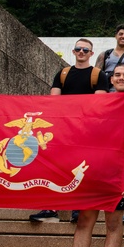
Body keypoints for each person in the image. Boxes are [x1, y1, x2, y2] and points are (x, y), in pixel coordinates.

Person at [52, 64, 124, 247]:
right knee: (84, 220)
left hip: (120, 169)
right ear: (111, 80)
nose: (121, 78)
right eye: (117, 75)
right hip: (94, 168)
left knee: (113, 223)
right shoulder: (99, 103)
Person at [30, 39, 110, 223]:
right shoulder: (63, 74)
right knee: (54, 166)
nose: (81, 52)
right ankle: (50, 207)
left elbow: (98, 104)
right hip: (63, 129)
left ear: (91, 53)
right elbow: (53, 101)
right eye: (78, 49)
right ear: (73, 52)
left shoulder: (98, 75)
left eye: (85, 50)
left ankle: (78, 207)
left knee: (81, 167)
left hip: (87, 130)